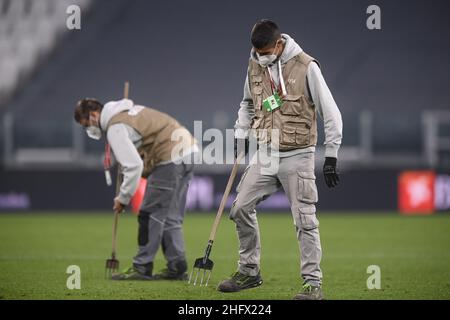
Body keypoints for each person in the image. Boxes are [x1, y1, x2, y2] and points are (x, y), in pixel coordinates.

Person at [218, 20, 343, 300]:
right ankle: (249, 271)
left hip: (298, 155)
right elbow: (247, 103)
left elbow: (331, 112)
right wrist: (241, 132)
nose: (261, 57)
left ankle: (313, 285)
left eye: (265, 51)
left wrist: (331, 154)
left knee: (305, 220)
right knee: (239, 208)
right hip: (265, 153)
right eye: (256, 52)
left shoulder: (306, 66)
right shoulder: (254, 64)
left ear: (278, 44)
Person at [74, 98, 198, 280]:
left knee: (150, 214)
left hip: (169, 155)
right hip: (189, 150)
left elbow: (134, 166)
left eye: (86, 125)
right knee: (171, 216)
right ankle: (177, 267)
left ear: (93, 115)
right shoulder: (128, 111)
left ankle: (142, 266)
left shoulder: (115, 127)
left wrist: (122, 198)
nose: (88, 130)